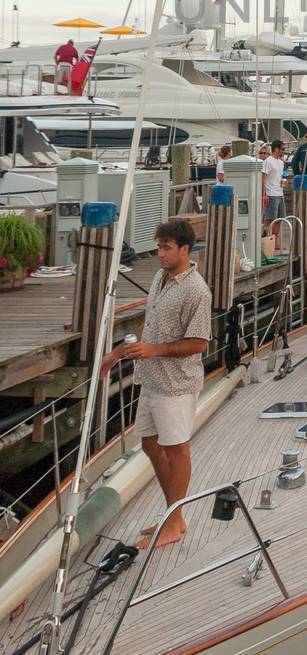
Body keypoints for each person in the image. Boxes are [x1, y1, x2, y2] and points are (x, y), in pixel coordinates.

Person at [100, 217, 211, 549]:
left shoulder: (196, 290)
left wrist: (153, 350)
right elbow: (152, 324)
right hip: (151, 379)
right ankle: (172, 515)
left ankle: (174, 522)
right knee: (149, 443)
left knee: (176, 450)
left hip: (176, 384)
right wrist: (118, 353)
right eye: (159, 246)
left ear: (184, 249)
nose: (159, 253)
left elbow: (199, 343)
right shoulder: (162, 279)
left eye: (166, 248)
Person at [262, 138, 287, 248]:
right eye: (282, 149)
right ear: (276, 149)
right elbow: (263, 177)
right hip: (271, 193)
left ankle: (275, 242)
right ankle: (267, 242)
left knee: (280, 219)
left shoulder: (281, 162)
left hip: (280, 192)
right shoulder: (268, 161)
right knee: (269, 218)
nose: (284, 151)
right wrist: (264, 194)